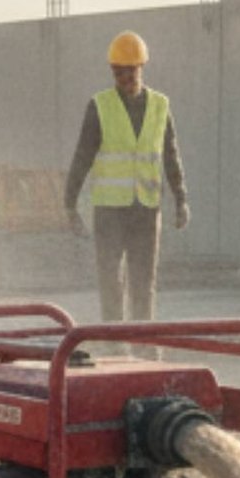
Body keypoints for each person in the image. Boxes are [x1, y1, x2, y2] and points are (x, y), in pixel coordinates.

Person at [62, 31, 190, 323]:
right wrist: (69, 204)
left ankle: (144, 344)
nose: (125, 78)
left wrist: (181, 199)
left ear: (141, 67)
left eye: (131, 71)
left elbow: (171, 156)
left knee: (144, 283)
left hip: (146, 208)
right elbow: (82, 156)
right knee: (111, 282)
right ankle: (114, 344)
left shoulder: (160, 106)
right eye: (119, 72)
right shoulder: (100, 106)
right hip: (109, 211)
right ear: (112, 71)